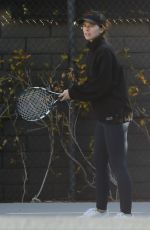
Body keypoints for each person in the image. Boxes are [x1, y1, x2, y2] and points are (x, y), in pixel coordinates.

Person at [59, 10, 133, 217]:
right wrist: (74, 92)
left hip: (116, 116)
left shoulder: (105, 52)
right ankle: (101, 209)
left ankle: (126, 214)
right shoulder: (95, 51)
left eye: (91, 25)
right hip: (104, 116)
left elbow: (101, 86)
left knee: (118, 164)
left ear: (101, 28)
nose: (86, 29)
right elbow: (95, 84)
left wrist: (73, 92)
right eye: (84, 26)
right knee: (100, 162)